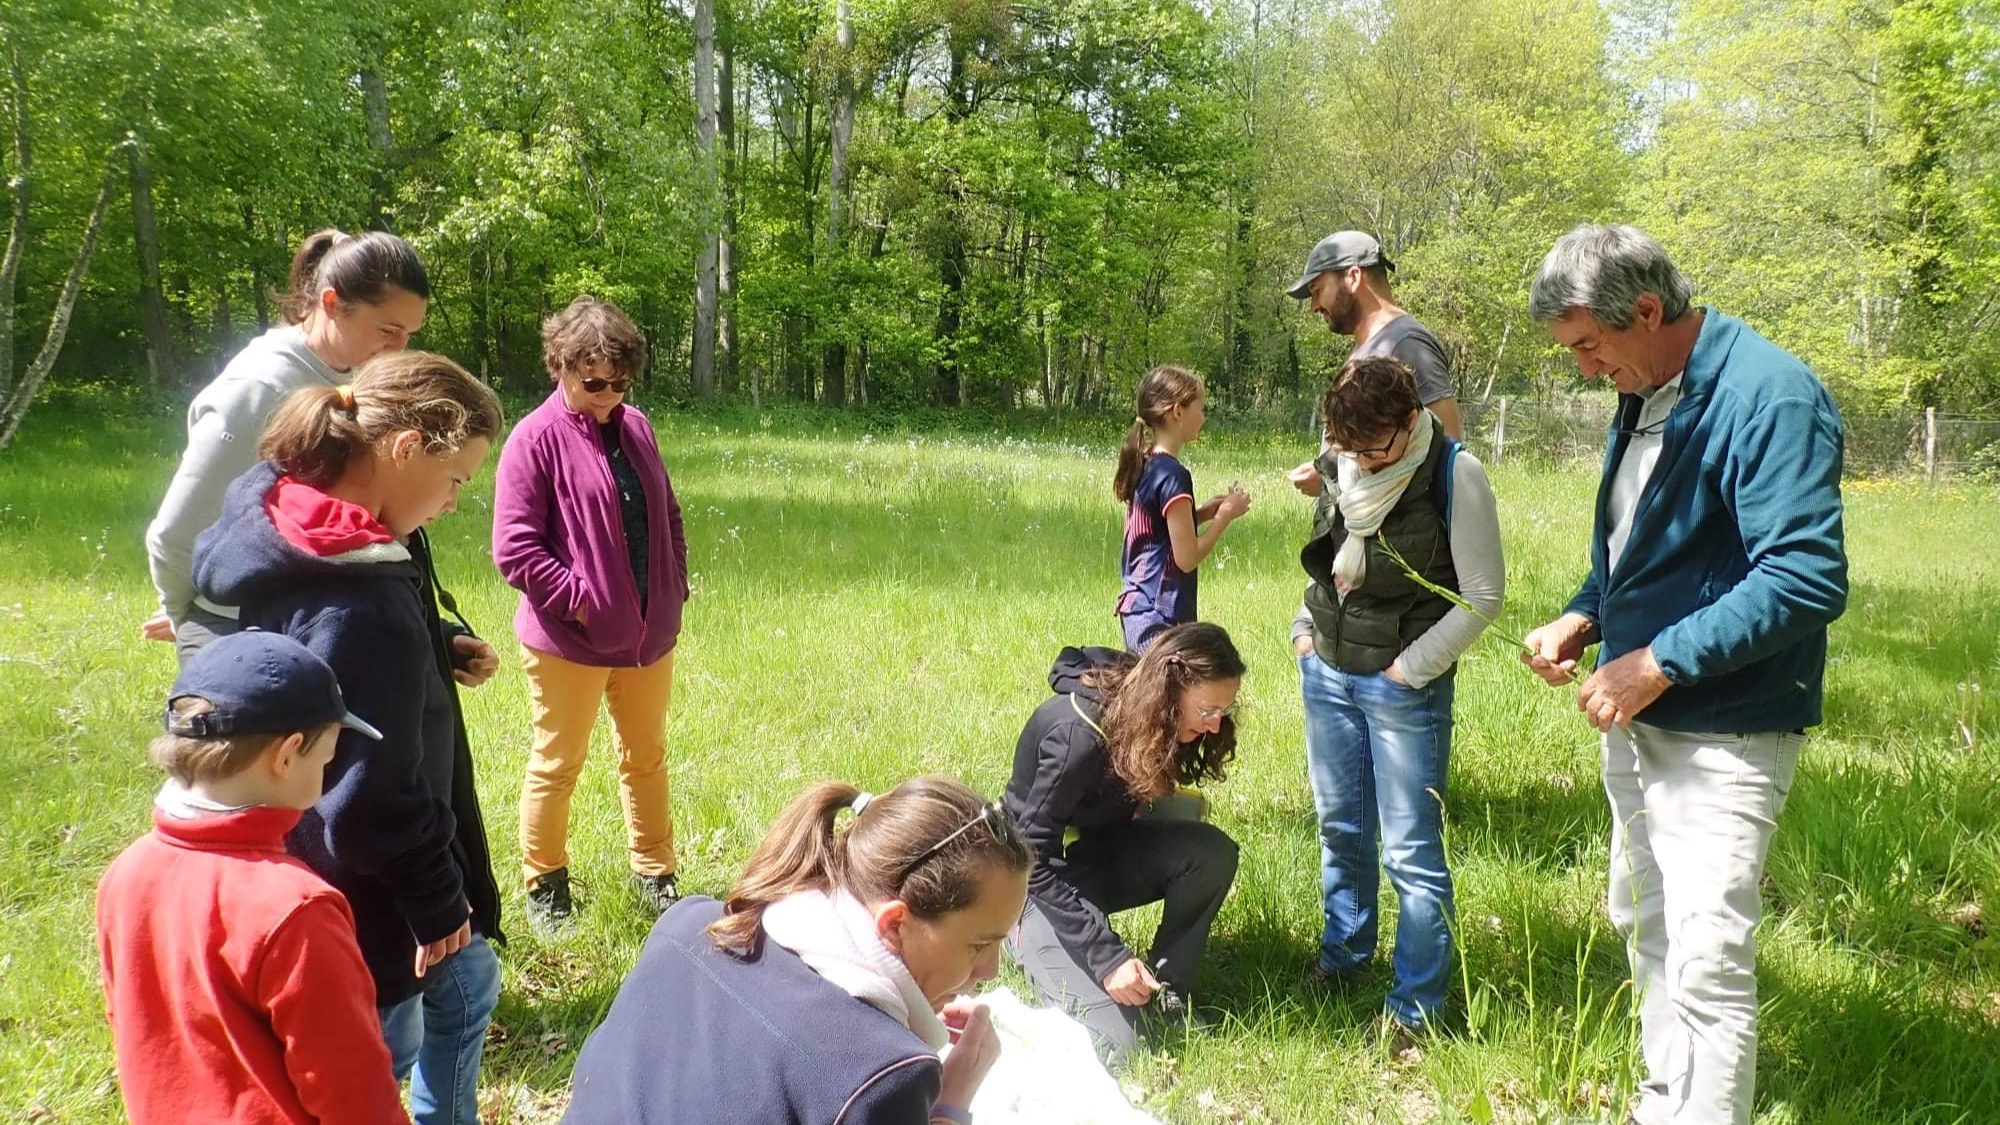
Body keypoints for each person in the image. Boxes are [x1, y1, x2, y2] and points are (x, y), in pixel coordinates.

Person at [1518, 224, 1847, 1125]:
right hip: (1639, 714)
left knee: (1707, 955)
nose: (1586, 370)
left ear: (1650, 311)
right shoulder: (1648, 385)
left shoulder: (1767, 397)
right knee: (1646, 921)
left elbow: (1805, 576)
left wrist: (1657, 661)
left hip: (1727, 725)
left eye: (1590, 346)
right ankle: (1664, 1101)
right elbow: (1641, 546)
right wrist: (1584, 614)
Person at [190, 352, 509, 1125]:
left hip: (314, 854)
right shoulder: (355, 602)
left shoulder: (299, 520)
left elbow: (332, 666)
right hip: (370, 895)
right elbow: (369, 796)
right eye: (458, 479)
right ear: (406, 450)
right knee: (378, 1051)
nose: (456, 501)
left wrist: (432, 641)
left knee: (469, 988)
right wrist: (438, 904)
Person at [563, 776, 1030, 1125]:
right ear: (894, 923)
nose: (990, 970)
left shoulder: (690, 923)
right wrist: (952, 1100)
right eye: (978, 945)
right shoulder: (883, 1076)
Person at [96, 630, 409, 1125]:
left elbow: (131, 1021)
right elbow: (354, 1094)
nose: (327, 772)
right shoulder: (296, 910)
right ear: (287, 756)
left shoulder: (127, 870)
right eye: (326, 759)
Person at [1288, 355, 1504, 1042]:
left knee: (1410, 851)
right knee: (1342, 827)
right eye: (1346, 446)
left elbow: (1482, 597)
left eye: (1372, 447)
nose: (1360, 461)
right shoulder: (1345, 458)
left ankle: (1416, 1008)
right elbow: (1329, 559)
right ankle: (1345, 958)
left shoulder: (1455, 474)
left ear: (1410, 423)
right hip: (1327, 670)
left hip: (1402, 687)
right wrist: (1303, 629)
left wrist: (1409, 670)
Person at [142, 229, 437, 662]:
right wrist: (191, 618)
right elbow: (177, 531)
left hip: (312, 618)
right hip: (243, 631)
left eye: (408, 333)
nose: (399, 347)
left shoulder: (350, 373)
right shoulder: (258, 388)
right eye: (389, 330)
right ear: (332, 303)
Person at [493, 296, 691, 932]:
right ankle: (544, 883)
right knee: (558, 764)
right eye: (595, 381)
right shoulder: (534, 439)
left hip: (647, 638)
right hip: (568, 644)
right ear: (561, 367)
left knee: (647, 756)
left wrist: (673, 585)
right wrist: (582, 603)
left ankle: (655, 873)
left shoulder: (637, 426)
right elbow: (515, 549)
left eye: (621, 381)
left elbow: (668, 515)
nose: (609, 394)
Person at [1002, 621, 1243, 1061]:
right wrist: (1106, 957)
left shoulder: (1152, 714)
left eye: (1223, 712)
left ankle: (1167, 993)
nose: (1214, 727)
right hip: (1022, 885)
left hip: (1090, 861)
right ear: (1171, 688)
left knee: (1210, 853)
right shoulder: (1076, 736)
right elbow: (1029, 855)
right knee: (1117, 1046)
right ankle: (1010, 939)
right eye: (1208, 710)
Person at [1285, 230, 1463, 499]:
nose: (1313, 306)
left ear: (1354, 277)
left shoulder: (1407, 344)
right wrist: (1327, 476)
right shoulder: (1372, 346)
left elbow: (1448, 457)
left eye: (1317, 290)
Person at [1113, 365, 1250, 653]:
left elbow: (1157, 532)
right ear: (1178, 411)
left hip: (1137, 608)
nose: (1204, 417)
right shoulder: (1174, 475)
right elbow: (1186, 558)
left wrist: (1200, 514)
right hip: (1160, 614)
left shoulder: (1147, 463)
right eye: (1200, 408)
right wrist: (1226, 515)